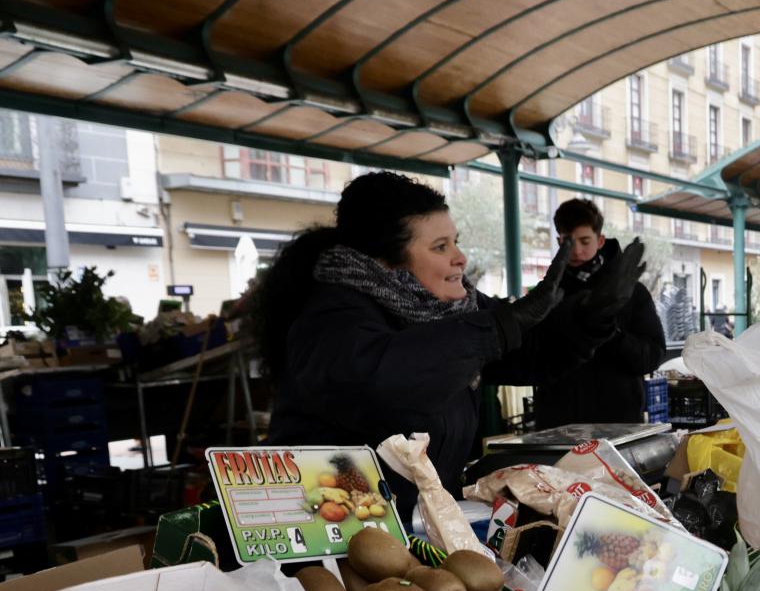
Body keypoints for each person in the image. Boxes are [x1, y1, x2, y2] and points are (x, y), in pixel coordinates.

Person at [251, 171, 569, 521]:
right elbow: (385, 382)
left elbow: (526, 350)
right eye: (440, 247)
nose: (459, 257)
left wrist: (592, 319)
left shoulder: (449, 309)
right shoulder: (331, 316)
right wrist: (498, 327)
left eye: (455, 241)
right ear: (386, 262)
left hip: (415, 526)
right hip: (328, 531)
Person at [520, 198, 667, 428]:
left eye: (585, 241)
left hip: (617, 424)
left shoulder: (632, 293)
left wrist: (608, 332)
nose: (577, 250)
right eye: (568, 241)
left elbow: (652, 356)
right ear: (559, 240)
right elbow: (533, 355)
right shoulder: (548, 294)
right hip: (558, 427)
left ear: (600, 240)